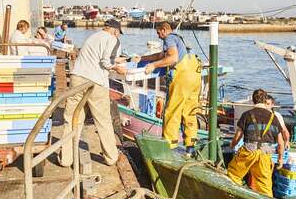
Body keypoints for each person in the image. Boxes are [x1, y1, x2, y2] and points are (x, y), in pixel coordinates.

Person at [60, 19, 127, 167]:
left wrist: (121, 59)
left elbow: (99, 56)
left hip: (77, 78)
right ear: (115, 31)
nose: (118, 36)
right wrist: (118, 68)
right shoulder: (113, 40)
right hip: (95, 82)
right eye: (118, 33)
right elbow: (106, 63)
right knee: (103, 120)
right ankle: (111, 157)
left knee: (72, 119)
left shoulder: (93, 37)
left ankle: (66, 159)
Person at [138, 21, 201, 153]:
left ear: (164, 30)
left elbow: (172, 58)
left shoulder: (169, 38)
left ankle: (169, 145)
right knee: (190, 112)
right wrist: (142, 58)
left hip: (182, 78)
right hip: (195, 78)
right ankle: (191, 145)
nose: (158, 35)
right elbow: (160, 55)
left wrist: (153, 66)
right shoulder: (181, 39)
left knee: (172, 111)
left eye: (158, 32)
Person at [227, 89, 285, 197]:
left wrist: (232, 145)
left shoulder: (247, 115)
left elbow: (238, 136)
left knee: (233, 175)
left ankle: (235, 197)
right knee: (264, 187)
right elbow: (281, 143)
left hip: (248, 152)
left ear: (253, 100)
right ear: (265, 100)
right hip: (265, 155)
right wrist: (280, 159)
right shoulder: (274, 118)